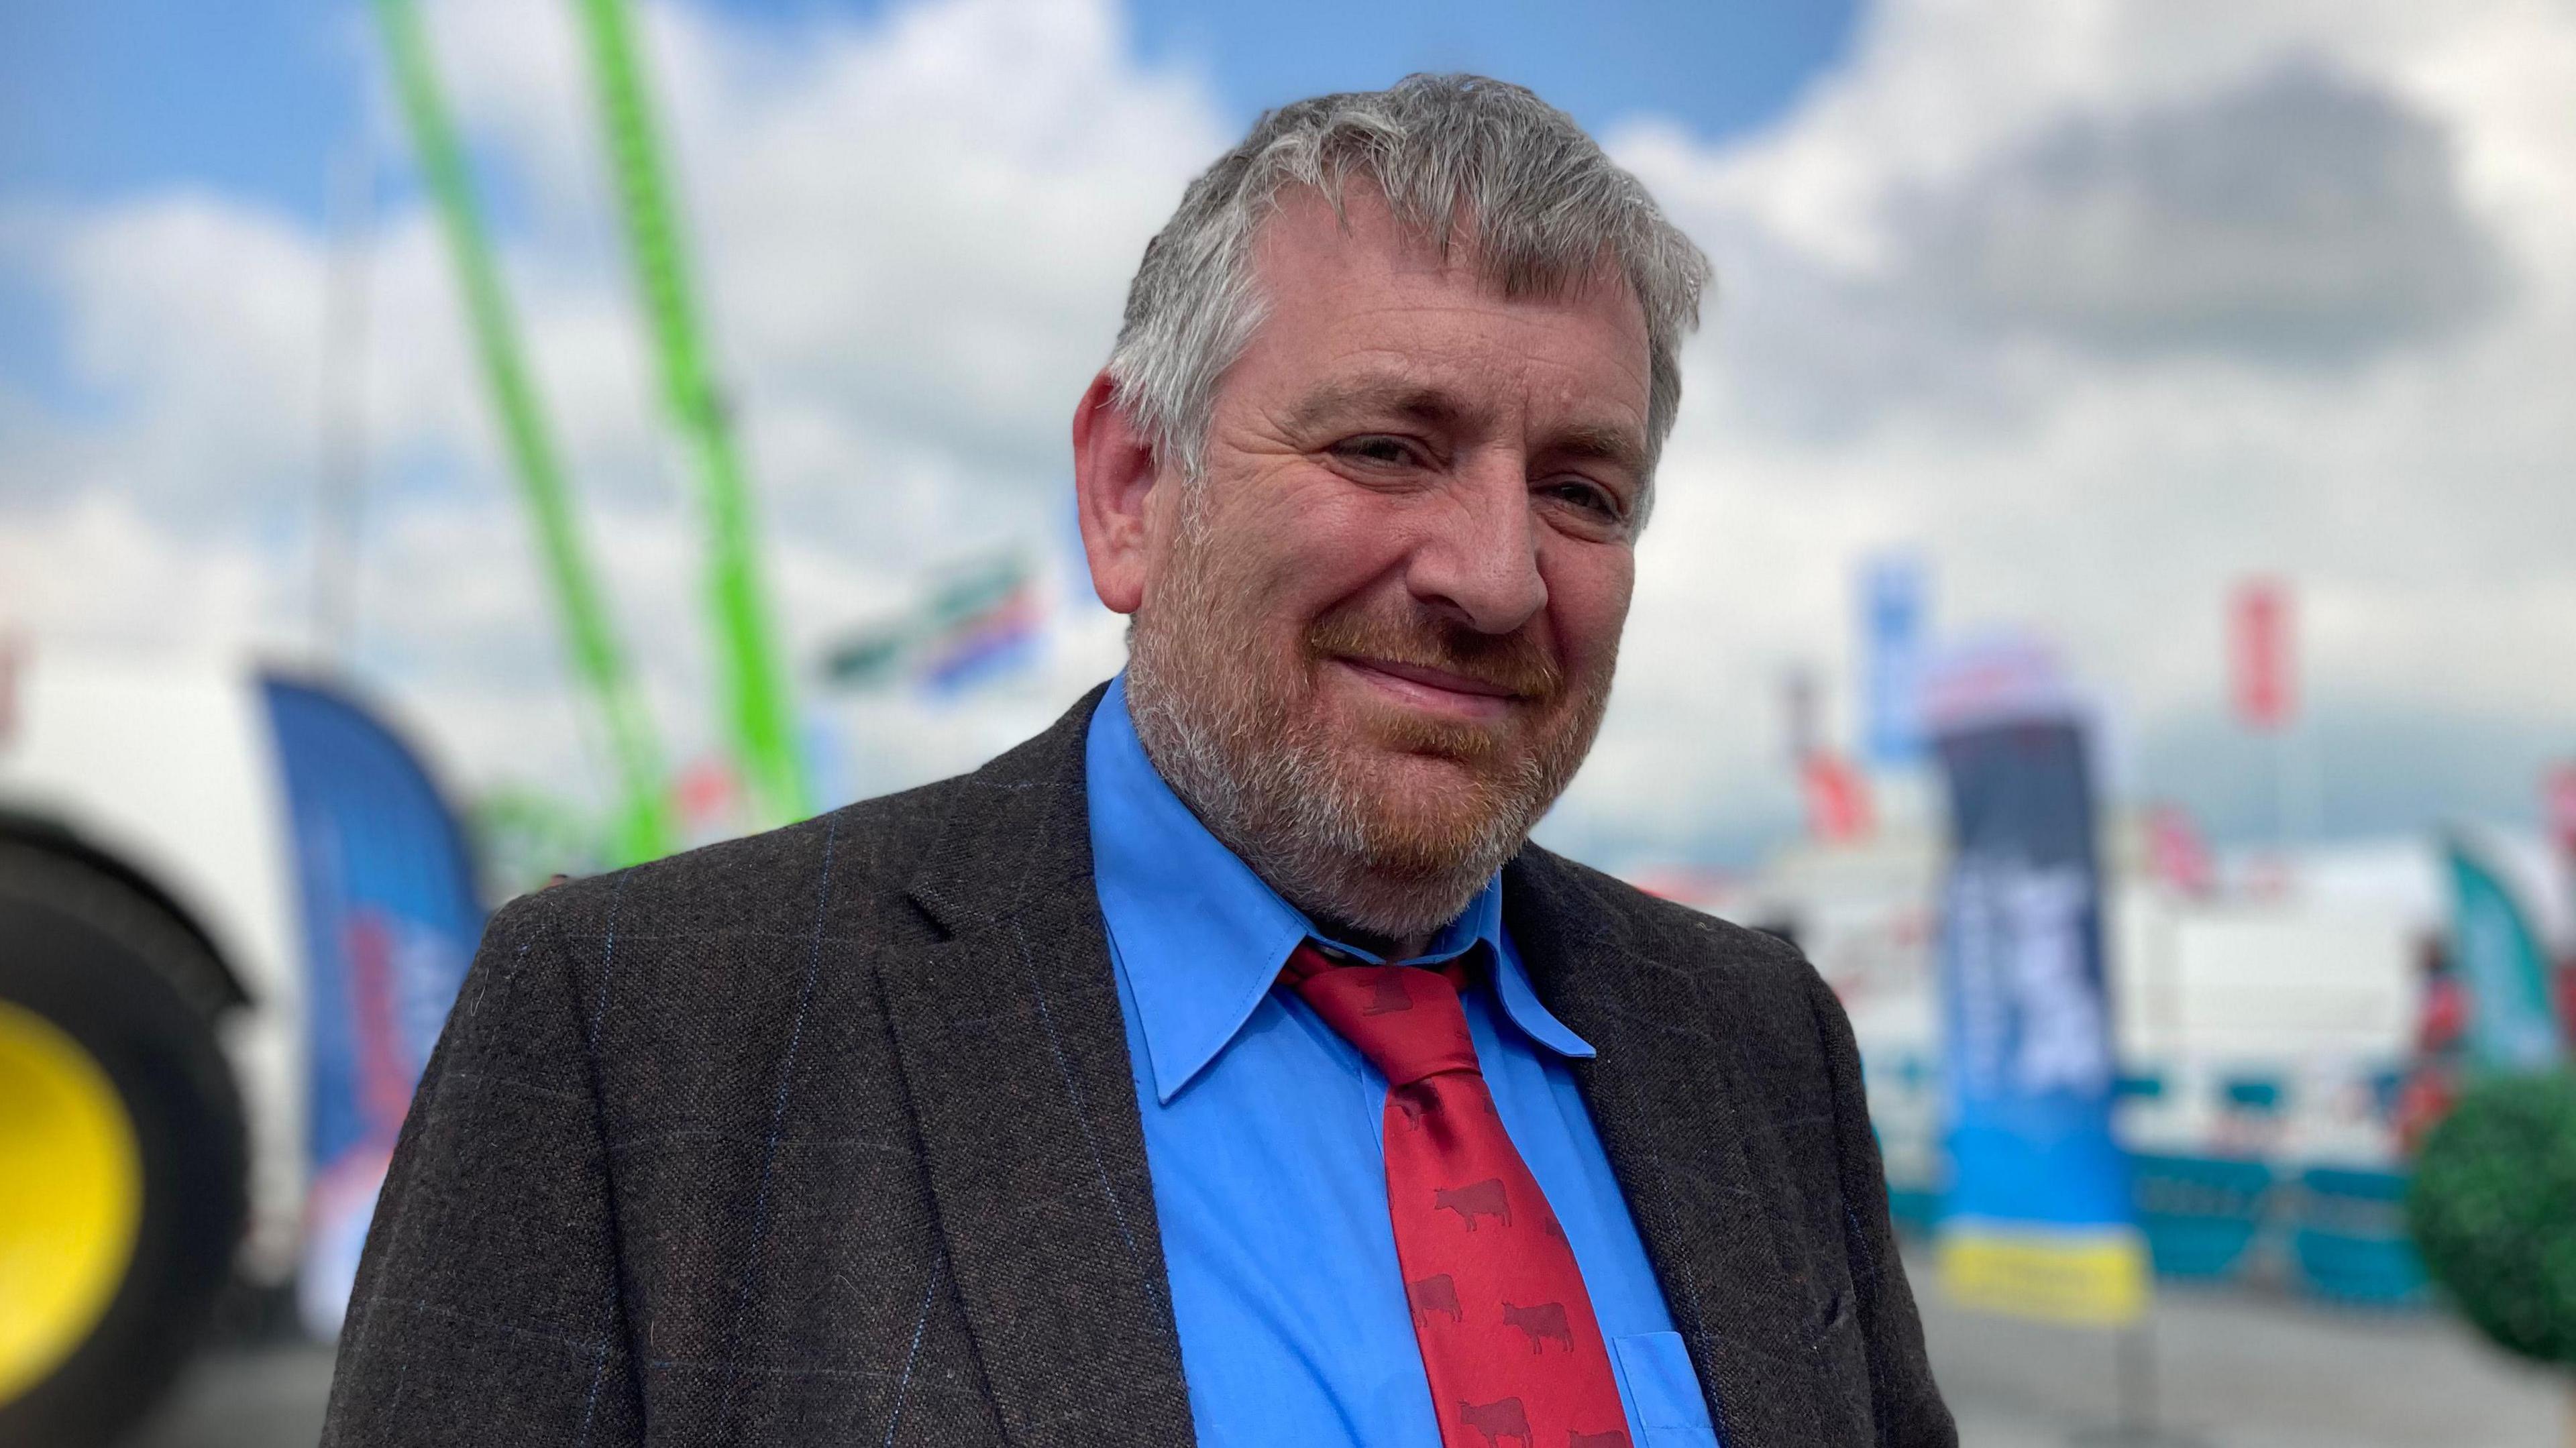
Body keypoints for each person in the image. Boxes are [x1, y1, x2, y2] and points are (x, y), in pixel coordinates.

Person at [321, 74, 1953, 1448]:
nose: (1499, 575)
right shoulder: (641, 1038)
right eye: (1389, 448)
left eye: (1586, 491)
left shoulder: (1755, 1047)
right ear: (1129, 489)